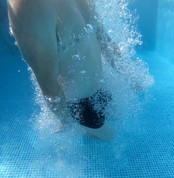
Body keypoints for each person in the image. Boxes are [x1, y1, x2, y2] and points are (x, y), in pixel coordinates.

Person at [7, 0, 119, 140]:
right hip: (80, 109)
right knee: (114, 141)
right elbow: (49, 86)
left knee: (121, 122)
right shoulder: (28, 7)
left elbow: (102, 36)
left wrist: (129, 76)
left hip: (100, 89)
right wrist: (71, 127)